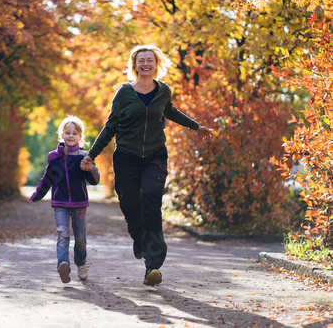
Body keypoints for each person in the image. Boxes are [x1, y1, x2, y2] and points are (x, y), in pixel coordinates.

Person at [81, 44, 213, 287]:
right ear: (135, 65)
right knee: (131, 206)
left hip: (154, 156)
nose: (145, 64)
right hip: (126, 158)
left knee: (151, 202)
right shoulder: (123, 93)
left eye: (150, 60)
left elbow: (171, 111)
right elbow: (110, 126)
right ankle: (139, 239)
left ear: (156, 64)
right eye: (141, 60)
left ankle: (152, 264)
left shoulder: (163, 91)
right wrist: (92, 154)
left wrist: (196, 126)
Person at [28, 115, 100, 284]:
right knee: (63, 235)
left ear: (80, 136)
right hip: (60, 203)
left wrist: (91, 168)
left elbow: (94, 180)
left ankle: (81, 264)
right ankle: (63, 265)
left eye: (74, 133)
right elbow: (46, 179)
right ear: (61, 134)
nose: (70, 136)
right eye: (67, 132)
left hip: (79, 203)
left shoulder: (84, 156)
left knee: (80, 238)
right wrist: (36, 195)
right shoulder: (54, 157)